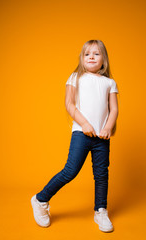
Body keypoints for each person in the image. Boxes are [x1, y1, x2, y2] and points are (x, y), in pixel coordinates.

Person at [31, 39, 119, 233]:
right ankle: (40, 199)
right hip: (81, 133)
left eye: (96, 54)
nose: (91, 57)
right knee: (70, 171)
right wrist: (85, 123)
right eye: (87, 54)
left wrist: (108, 127)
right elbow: (70, 104)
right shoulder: (75, 77)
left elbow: (114, 109)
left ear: (104, 60)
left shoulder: (109, 82)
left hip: (102, 137)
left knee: (101, 174)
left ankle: (101, 210)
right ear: (81, 58)